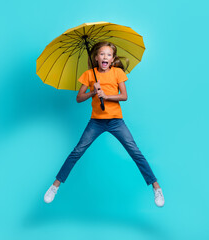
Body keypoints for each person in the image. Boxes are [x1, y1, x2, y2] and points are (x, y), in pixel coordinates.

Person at [44, 41, 164, 207]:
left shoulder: (117, 73)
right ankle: (55, 186)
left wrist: (106, 96)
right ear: (96, 58)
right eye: (102, 54)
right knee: (77, 151)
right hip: (96, 122)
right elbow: (79, 98)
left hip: (116, 121)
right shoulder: (89, 74)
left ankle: (156, 187)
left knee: (135, 151)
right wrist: (93, 91)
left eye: (108, 54)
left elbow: (124, 96)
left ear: (113, 58)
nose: (105, 57)